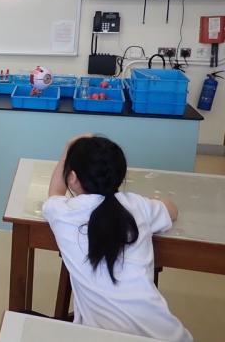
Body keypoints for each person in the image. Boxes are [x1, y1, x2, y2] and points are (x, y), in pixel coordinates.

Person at [43, 135, 191, 342]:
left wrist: (67, 148)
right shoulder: (137, 205)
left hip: (100, 336)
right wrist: (150, 204)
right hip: (168, 335)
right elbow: (171, 210)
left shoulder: (63, 213)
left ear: (73, 178)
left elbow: (55, 193)